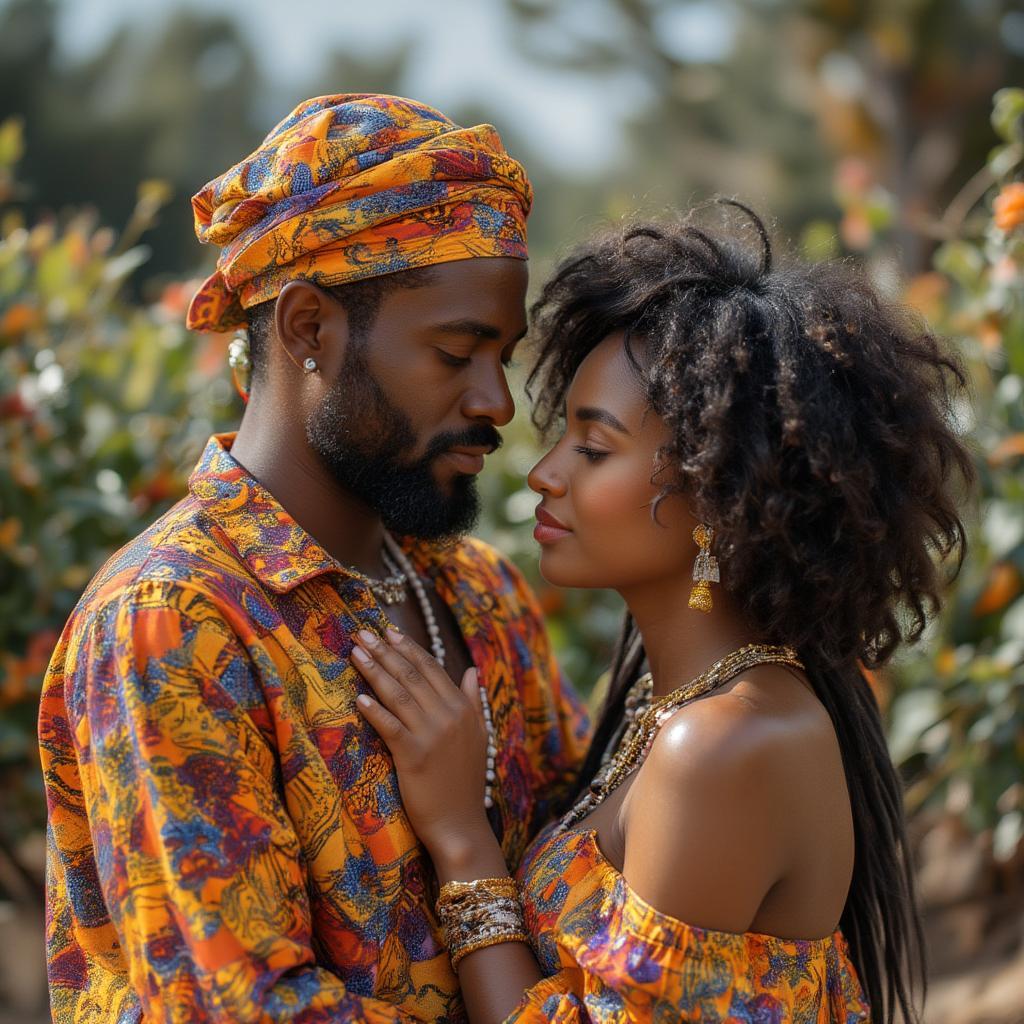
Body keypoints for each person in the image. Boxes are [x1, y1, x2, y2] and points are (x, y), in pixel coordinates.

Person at [347, 204, 974, 1023]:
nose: (542, 474)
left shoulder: (720, 746)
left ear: (718, 488)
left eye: (594, 448)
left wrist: (463, 838)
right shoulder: (681, 708)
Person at [38, 94, 587, 1023]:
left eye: (503, 354)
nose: (497, 399)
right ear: (306, 330)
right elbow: (242, 1007)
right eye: (456, 352)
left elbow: (580, 883)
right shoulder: (175, 622)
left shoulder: (479, 591)